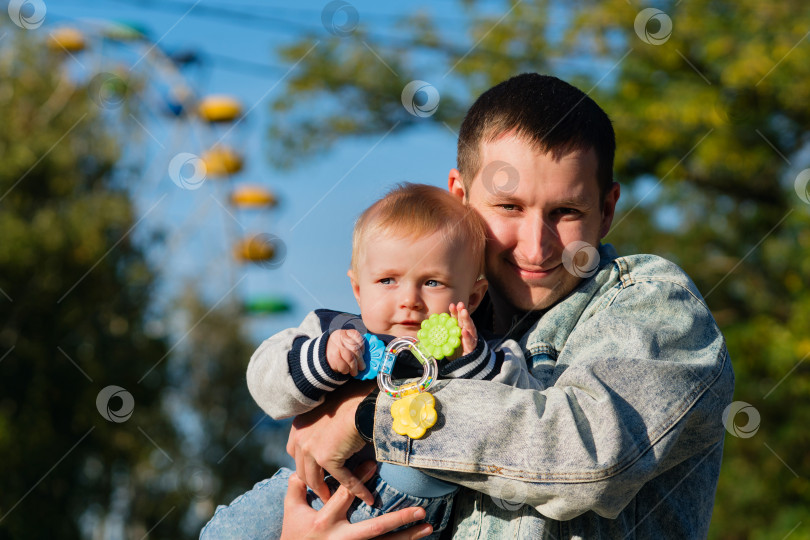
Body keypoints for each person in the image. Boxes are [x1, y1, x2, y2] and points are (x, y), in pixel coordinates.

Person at [207, 73, 735, 539]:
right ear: (459, 195)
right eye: (509, 207)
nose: (536, 245)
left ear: (607, 210)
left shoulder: (654, 304)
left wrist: (370, 413)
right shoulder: (431, 313)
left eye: (566, 212)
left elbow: (587, 455)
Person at [201, 183, 543, 539]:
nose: (409, 299)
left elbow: (521, 415)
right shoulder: (336, 331)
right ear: (359, 290)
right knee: (226, 531)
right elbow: (263, 380)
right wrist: (324, 360)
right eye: (388, 280)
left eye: (432, 282)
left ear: (472, 298)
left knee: (417, 475)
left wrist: (473, 362)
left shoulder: (491, 352)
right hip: (315, 485)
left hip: (409, 499)